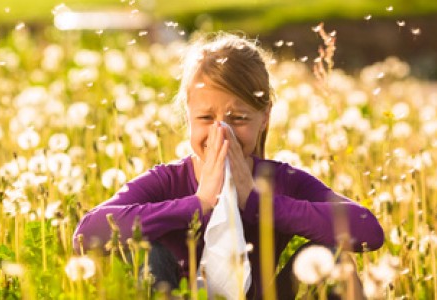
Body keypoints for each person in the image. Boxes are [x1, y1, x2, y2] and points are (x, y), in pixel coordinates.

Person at [73, 32, 384, 299]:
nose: (222, 132)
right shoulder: (166, 181)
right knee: (148, 253)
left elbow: (367, 230)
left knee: (336, 260)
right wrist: (198, 204)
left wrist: (257, 201)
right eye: (206, 118)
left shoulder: (281, 179)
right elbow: (86, 235)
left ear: (264, 118)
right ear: (188, 116)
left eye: (239, 119)